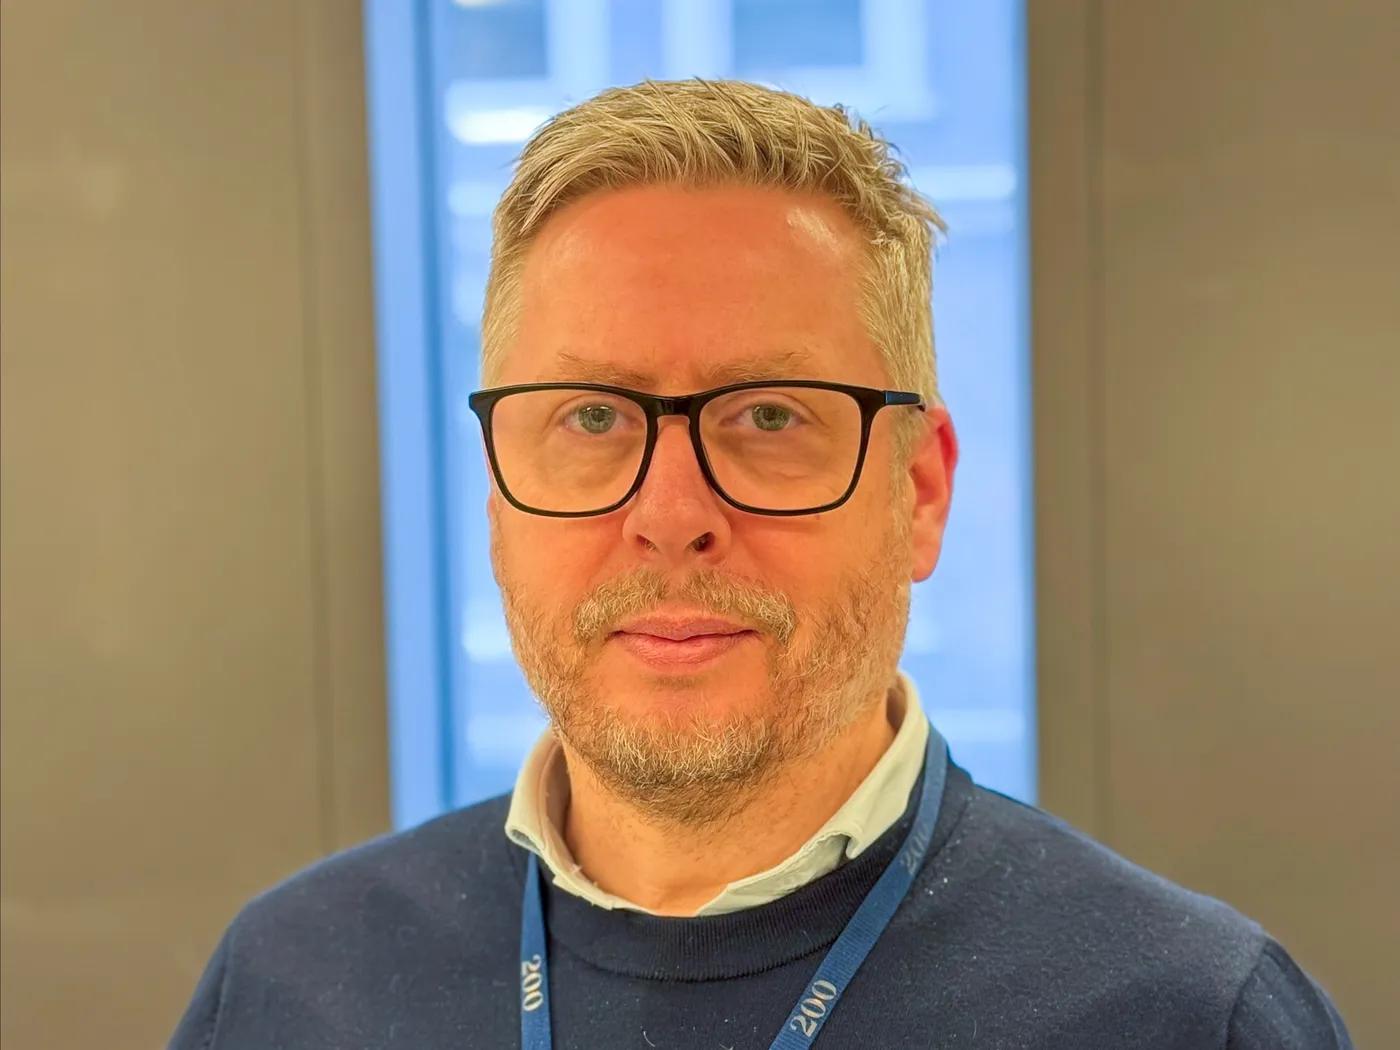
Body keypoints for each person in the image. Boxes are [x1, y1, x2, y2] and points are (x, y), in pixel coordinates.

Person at [169, 79, 1351, 1050]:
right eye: (592, 417)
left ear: (919, 492)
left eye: (769, 416)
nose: (669, 515)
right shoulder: (288, 986)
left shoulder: (1187, 1015)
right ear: (494, 496)